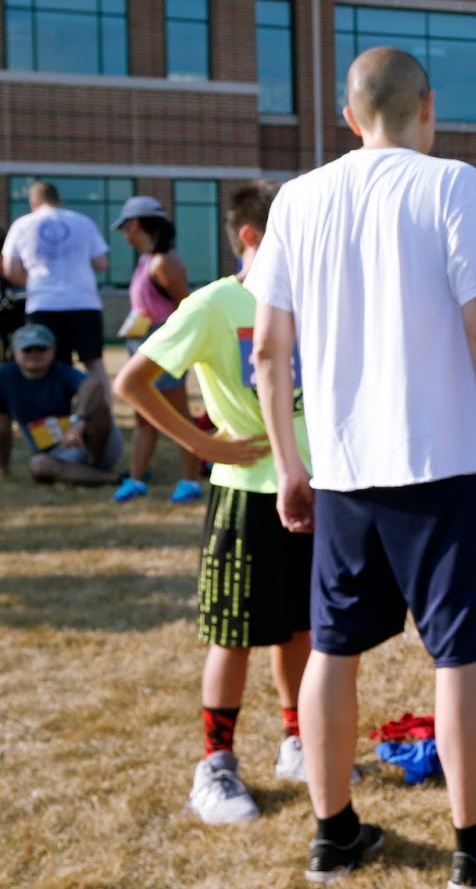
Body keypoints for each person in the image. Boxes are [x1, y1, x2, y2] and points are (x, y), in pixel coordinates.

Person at [247, 46, 476, 885]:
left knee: (333, 651)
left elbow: (270, 351)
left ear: (350, 115)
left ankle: (334, 829)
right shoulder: (450, 182)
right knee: (457, 657)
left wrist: (286, 463)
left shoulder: (297, 200)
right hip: (445, 459)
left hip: (343, 465)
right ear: (429, 108)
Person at [113, 182, 319, 824]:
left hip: (315, 492)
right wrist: (204, 444)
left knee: (303, 630)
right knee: (233, 637)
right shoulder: (213, 305)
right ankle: (216, 766)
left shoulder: (314, 297)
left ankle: (298, 742)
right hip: (244, 498)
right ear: (254, 237)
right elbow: (133, 382)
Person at [110, 195, 206, 503]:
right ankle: (137, 480)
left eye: (125, 228)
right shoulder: (147, 260)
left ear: (136, 225)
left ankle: (191, 481)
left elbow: (185, 307)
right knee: (143, 416)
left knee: (178, 416)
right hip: (143, 345)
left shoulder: (166, 263)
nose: (125, 235)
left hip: (164, 347)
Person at [1, 180, 111, 384]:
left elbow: (9, 269)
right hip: (84, 302)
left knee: (49, 364)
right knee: (94, 363)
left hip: (43, 304)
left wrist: (33, 280)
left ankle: (55, 413)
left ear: (33, 203)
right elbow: (102, 262)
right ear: (59, 201)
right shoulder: (83, 221)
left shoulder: (22, 224)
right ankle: (103, 413)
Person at [0, 322, 122, 485]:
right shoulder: (5, 376)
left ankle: (96, 465)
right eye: (27, 349)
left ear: (53, 350)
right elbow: (2, 425)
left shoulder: (62, 371)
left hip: (86, 441)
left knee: (98, 405)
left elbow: (93, 385)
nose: (34, 354)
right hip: (54, 453)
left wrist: (78, 422)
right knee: (38, 465)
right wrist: (3, 468)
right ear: (14, 352)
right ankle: (112, 479)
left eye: (41, 349)